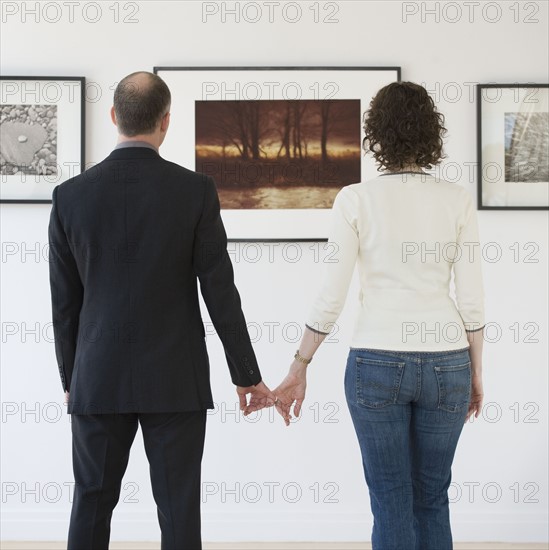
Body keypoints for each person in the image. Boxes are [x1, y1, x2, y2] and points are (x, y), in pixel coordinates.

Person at [48, 71, 275, 550]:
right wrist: (246, 374)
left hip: (98, 376)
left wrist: (71, 379)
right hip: (175, 379)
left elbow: (64, 305)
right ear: (166, 122)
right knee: (178, 508)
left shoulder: (69, 196)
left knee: (91, 501)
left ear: (114, 117)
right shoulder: (195, 191)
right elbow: (221, 292)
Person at [274, 81, 485, 550]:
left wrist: (299, 365)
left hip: (376, 363)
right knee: (432, 496)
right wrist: (476, 373)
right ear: (431, 133)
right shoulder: (456, 200)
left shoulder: (355, 199)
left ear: (377, 135)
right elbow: (471, 301)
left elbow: (331, 296)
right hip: (448, 361)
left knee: (391, 498)